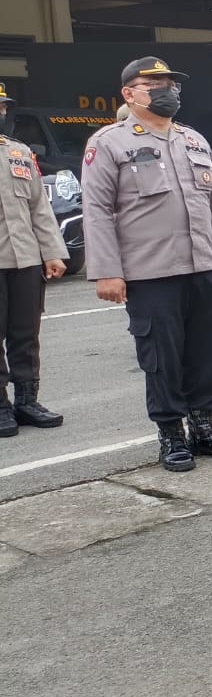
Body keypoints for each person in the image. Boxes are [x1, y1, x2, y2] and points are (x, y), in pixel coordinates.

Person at [82, 56, 212, 471]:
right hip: (151, 272)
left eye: (171, 83)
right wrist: (107, 270)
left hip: (205, 266)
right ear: (129, 93)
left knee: (210, 351)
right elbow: (98, 210)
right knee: (163, 356)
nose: (167, 90)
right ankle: (172, 435)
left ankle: (205, 426)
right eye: (154, 83)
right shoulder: (108, 143)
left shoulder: (193, 140)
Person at [0, 86, 70, 436]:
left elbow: (39, 208)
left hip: (24, 259)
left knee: (25, 333)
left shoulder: (19, 153)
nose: (0, 112)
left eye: (1, 107)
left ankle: (27, 400)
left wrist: (52, 251)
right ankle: (0, 405)